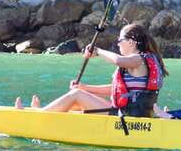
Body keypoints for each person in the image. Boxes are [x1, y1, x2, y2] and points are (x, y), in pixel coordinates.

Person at [15, 23, 169, 117]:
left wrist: (97, 51)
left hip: (129, 115)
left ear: (131, 42)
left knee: (76, 95)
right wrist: (85, 88)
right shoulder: (140, 61)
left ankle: (38, 117)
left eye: (120, 40)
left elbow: (118, 60)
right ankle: (41, 112)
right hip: (127, 111)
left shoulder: (138, 59)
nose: (118, 44)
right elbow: (115, 89)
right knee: (75, 102)